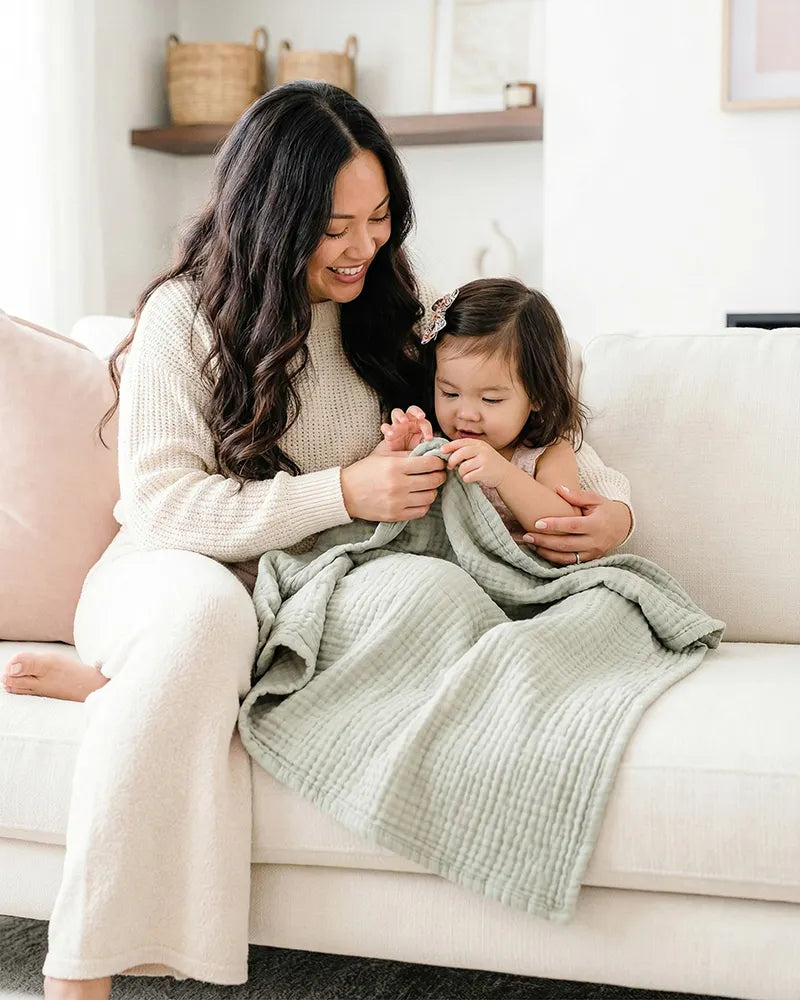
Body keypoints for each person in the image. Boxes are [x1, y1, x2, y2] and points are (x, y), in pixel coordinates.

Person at [0, 82, 631, 1000]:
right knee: (205, 621)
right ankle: (81, 976)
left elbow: (525, 407)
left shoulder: (395, 309)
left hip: (317, 588)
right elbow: (164, 505)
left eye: (379, 219)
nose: (364, 246)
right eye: (335, 227)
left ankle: (128, 692)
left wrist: (607, 507)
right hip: (176, 571)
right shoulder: (187, 315)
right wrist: (344, 488)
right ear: (273, 215)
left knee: (427, 601)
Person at [381, 277, 607, 544]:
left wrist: (502, 474)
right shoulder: (435, 440)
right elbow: (387, 501)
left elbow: (563, 523)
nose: (466, 414)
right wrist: (399, 451)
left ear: (538, 396)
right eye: (450, 393)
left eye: (490, 399)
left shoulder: (545, 454)